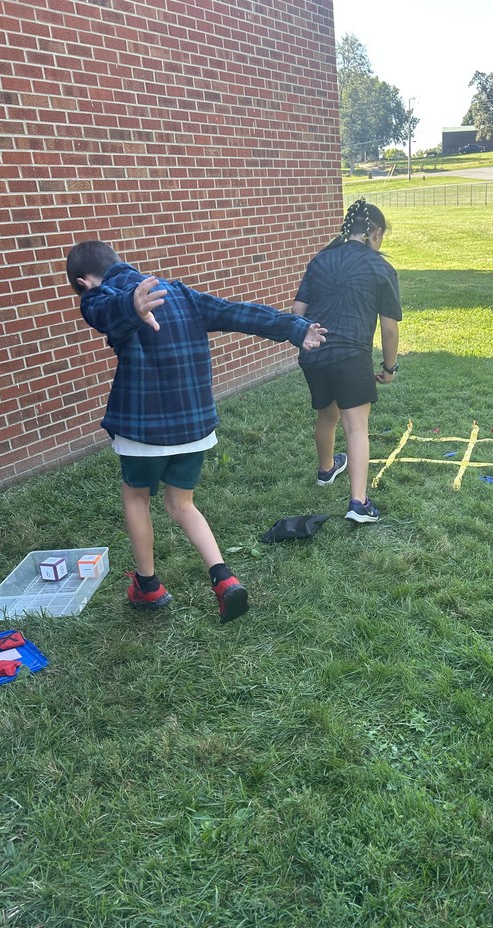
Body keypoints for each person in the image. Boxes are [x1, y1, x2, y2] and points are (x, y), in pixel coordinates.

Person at [66, 241, 326, 623]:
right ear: (118, 262)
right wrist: (296, 327)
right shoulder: (179, 292)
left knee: (136, 499)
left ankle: (148, 586)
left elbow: (102, 310)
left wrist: (128, 307)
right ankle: (224, 580)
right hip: (195, 427)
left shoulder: (102, 296)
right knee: (181, 504)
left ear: (83, 282)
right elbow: (238, 313)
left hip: (143, 429)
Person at [292, 198, 402, 524]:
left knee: (327, 415)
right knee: (356, 428)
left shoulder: (321, 260)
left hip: (315, 354)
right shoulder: (381, 267)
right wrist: (389, 367)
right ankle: (359, 503)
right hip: (353, 356)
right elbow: (390, 329)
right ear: (375, 233)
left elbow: (297, 313)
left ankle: (326, 470)